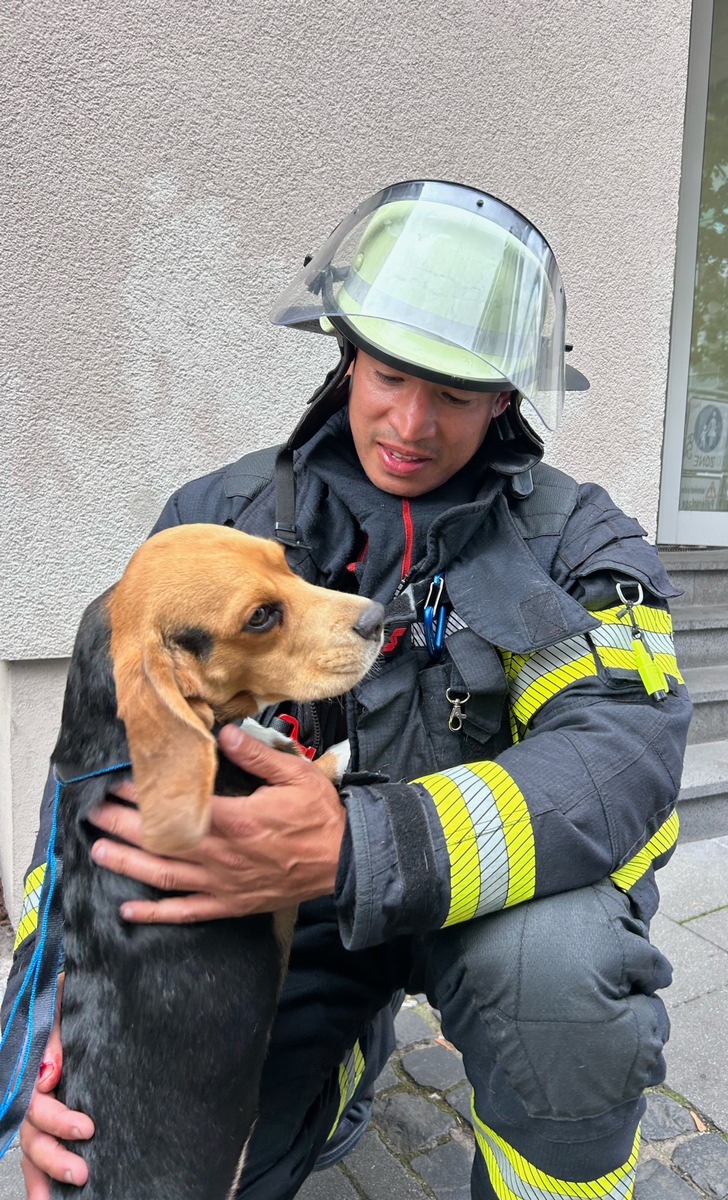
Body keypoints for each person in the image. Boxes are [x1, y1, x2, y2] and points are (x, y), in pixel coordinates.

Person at [3, 179, 692, 1199]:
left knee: (562, 985)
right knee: (153, 1160)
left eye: (455, 394)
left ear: (507, 396)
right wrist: (45, 1041)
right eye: (389, 374)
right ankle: (342, 1051)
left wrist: (359, 847)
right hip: (284, 915)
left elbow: (616, 762)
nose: (411, 423)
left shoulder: (579, 549)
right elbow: (97, 790)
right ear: (347, 352)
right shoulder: (218, 523)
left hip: (495, 915)